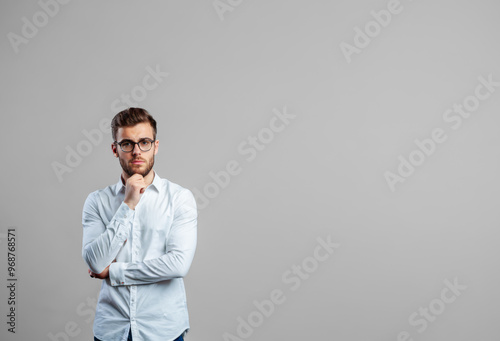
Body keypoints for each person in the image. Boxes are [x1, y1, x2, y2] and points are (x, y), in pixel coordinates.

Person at [81, 107, 197, 341]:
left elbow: (178, 264)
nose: (136, 151)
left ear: (155, 146)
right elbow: (94, 261)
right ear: (115, 149)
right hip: (112, 331)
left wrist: (114, 271)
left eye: (144, 142)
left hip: (164, 331)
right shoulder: (97, 201)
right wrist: (128, 204)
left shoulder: (179, 198)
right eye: (127, 144)